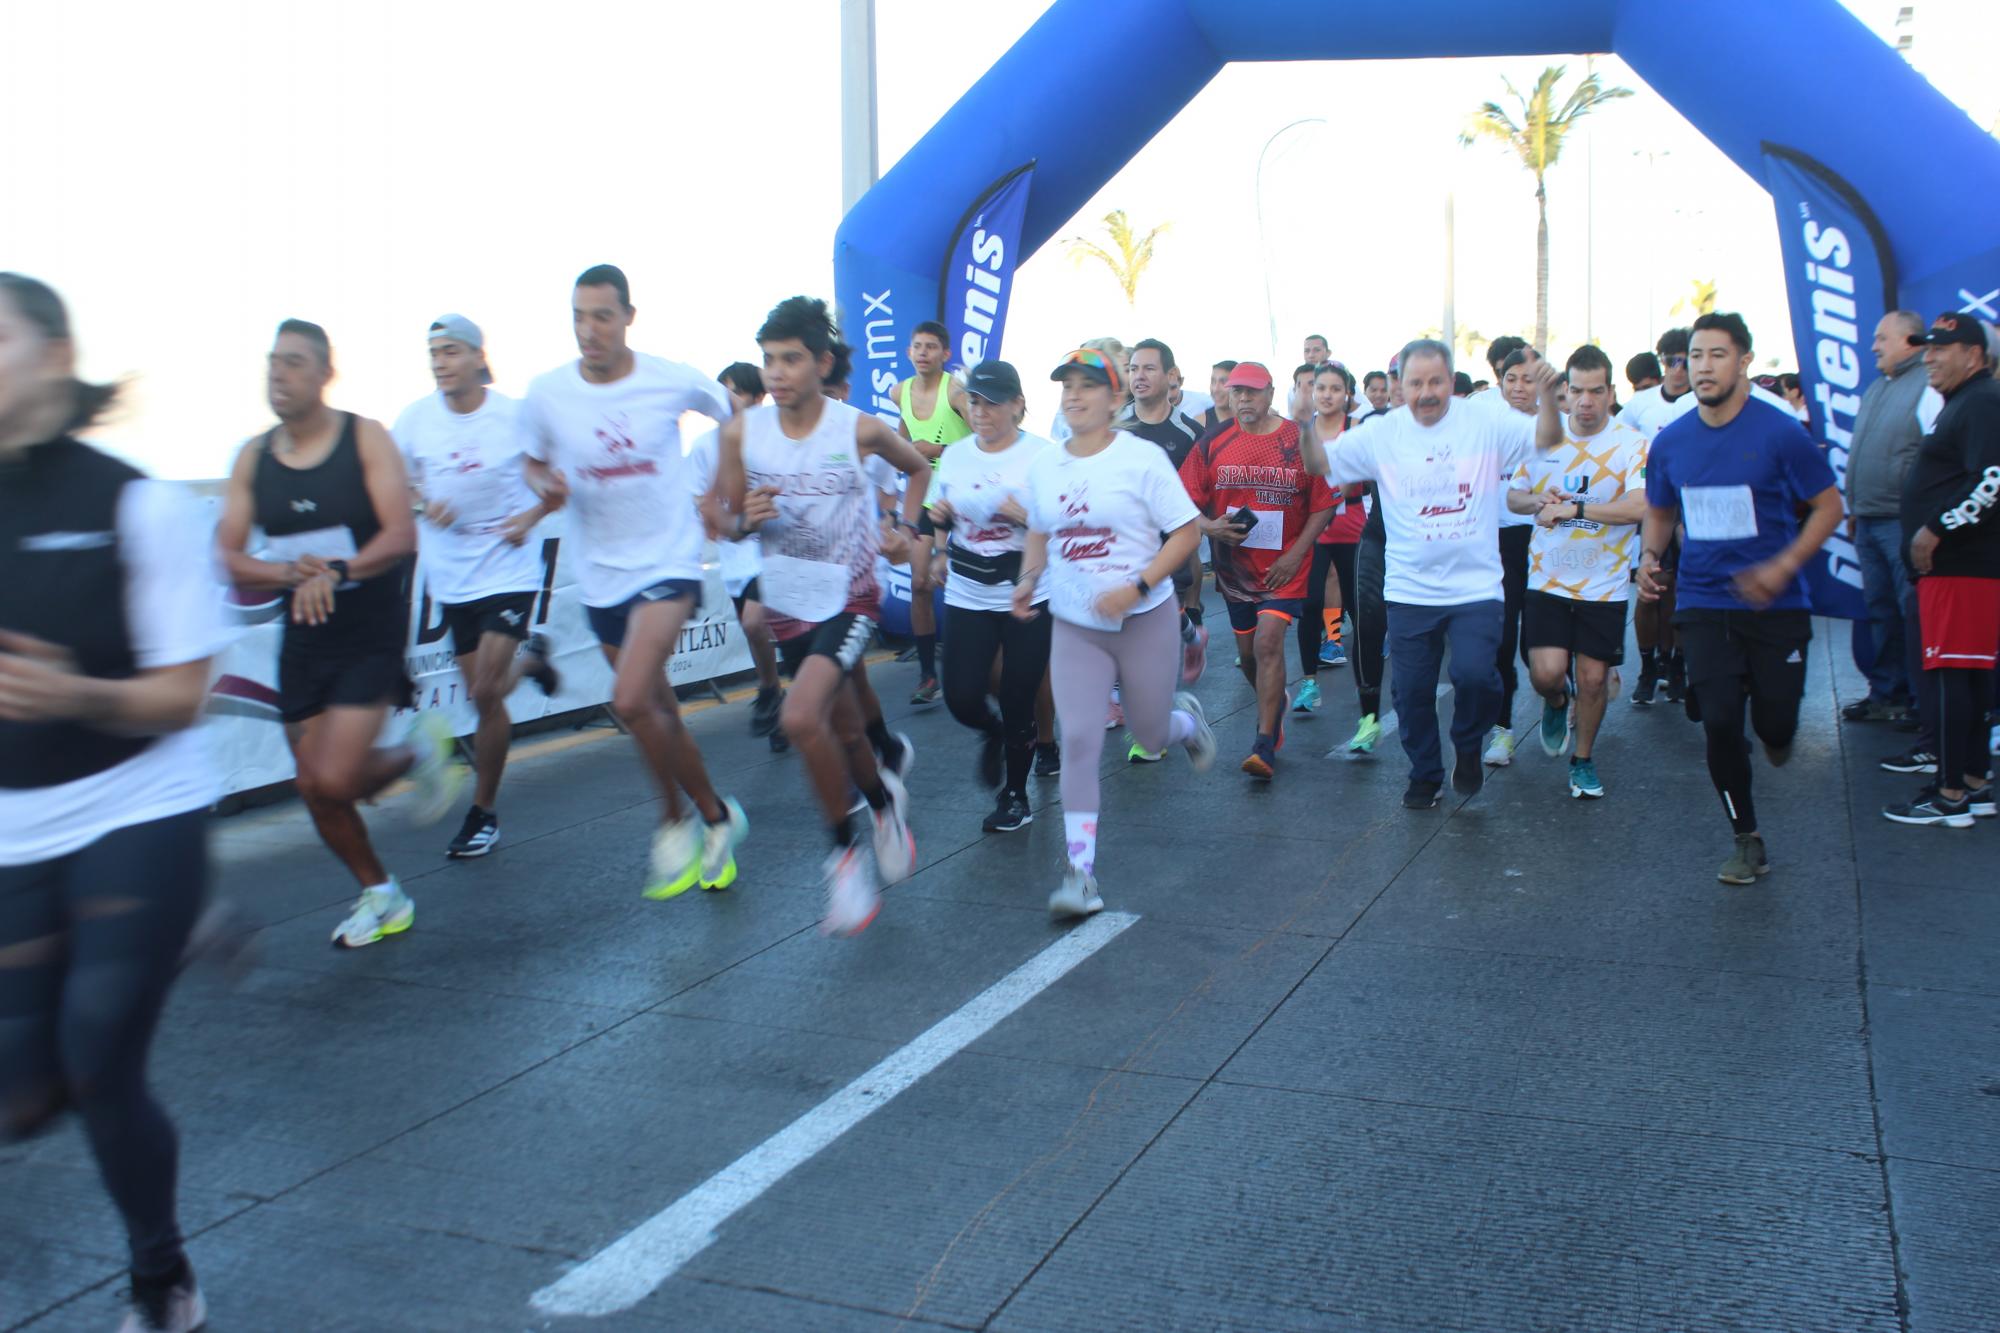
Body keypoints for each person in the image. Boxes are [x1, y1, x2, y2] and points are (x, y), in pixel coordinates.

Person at [0, 274, 231, 1333]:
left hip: (138, 800)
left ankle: (160, 1276)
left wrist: (79, 691)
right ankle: (167, 934)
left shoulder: (135, 502)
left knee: (99, 1056)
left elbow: (189, 692)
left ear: (53, 355)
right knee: (22, 1098)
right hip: (17, 822)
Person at [216, 320, 459, 948]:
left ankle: (416, 752)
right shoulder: (254, 456)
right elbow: (228, 554)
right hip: (304, 635)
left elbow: (400, 535)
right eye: (273, 361)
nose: (279, 373)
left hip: (367, 633)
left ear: (325, 374)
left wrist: (338, 571)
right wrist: (287, 572)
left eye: (295, 362)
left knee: (333, 779)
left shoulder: (365, 439)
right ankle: (382, 893)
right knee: (315, 788)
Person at [519, 263, 745, 900]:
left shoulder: (667, 379)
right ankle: (718, 818)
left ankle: (672, 819)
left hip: (668, 566)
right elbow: (532, 460)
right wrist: (545, 485)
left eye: (601, 316)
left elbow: (733, 414)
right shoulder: (546, 393)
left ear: (627, 318)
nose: (588, 331)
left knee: (626, 699)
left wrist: (723, 496)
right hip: (599, 578)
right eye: (578, 317)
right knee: (654, 712)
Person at [717, 296, 932, 936]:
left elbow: (918, 469)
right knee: (837, 731)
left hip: (848, 596)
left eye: (790, 360)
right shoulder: (740, 433)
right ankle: (883, 805)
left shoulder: (857, 428)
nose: (776, 373)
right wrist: (739, 519)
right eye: (768, 361)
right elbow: (720, 517)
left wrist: (903, 528)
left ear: (823, 363)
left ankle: (844, 864)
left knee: (800, 714)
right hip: (787, 602)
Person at [1638, 312, 1843, 883]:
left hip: (1777, 607)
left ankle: (1775, 736)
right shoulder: (1672, 442)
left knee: (1775, 728)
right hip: (1704, 602)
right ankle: (1745, 836)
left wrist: (1781, 567)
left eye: (1716, 355)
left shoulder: (1779, 433)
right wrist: (1649, 562)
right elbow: (1659, 510)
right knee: (1721, 721)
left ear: (1745, 361)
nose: (1701, 367)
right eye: (1693, 356)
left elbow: (1829, 508)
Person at [1316, 340, 1562, 808]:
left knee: (1474, 676)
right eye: (1415, 383)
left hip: (1476, 587)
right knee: (1410, 693)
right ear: (1398, 386)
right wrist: (1310, 418)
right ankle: (1425, 774)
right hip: (1410, 590)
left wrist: (1549, 397)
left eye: (1435, 382)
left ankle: (1467, 744)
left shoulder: (1484, 421)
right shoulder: (1383, 432)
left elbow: (1546, 437)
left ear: (1451, 381)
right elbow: (1323, 464)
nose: (1426, 393)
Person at [1017, 347, 1216, 917]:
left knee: (1149, 736)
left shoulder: (1140, 459)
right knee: (1079, 739)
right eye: (1067, 387)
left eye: (1087, 386)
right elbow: (1037, 530)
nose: (1074, 396)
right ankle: (1081, 874)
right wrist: (1029, 578)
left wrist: (1138, 583)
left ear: (1114, 398)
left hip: (1142, 616)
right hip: (1077, 624)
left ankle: (1184, 722)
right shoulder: (1047, 466)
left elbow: (1186, 533)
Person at [393, 314, 559, 858]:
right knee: (484, 700)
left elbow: (559, 485)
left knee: (486, 690)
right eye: (433, 352)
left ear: (476, 357)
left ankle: (482, 810)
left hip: (508, 568)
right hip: (453, 578)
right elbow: (394, 478)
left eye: (450, 351)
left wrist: (529, 518)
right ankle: (532, 662)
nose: (440, 362)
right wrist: (421, 501)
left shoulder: (513, 417)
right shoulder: (415, 421)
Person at [1508, 345, 1651, 798]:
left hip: (1604, 583)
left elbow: (1639, 506)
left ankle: (1583, 760)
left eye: (1596, 391)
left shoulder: (1632, 444)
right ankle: (1555, 701)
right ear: (1565, 391)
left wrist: (1575, 508)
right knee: (1545, 673)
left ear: (1611, 393)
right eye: (1578, 390)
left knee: (1594, 679)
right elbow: (1515, 498)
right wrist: (1539, 504)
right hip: (1547, 578)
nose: (1586, 401)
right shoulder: (1544, 437)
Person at [1183, 362, 1336, 778]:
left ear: (1270, 393)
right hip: (1236, 572)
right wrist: (1208, 526)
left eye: (1252, 392)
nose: (1244, 400)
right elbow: (1181, 501)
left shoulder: (1297, 438)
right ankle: (1274, 701)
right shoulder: (1212, 442)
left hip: (1286, 569)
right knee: (1249, 657)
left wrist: (1296, 553)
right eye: (1237, 393)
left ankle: (1264, 743)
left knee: (1269, 644)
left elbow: (1325, 503)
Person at [1881, 311, 2000, 828]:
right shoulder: (1967, 402)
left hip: (1960, 567)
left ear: (1973, 355)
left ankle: (1949, 794)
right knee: (1964, 677)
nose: (1928, 356)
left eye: (1940, 349)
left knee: (1953, 678)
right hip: (1957, 569)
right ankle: (1973, 782)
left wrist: (1935, 529)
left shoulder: (1982, 400)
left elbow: (1992, 480)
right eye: (1925, 348)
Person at [924, 360, 1053, 832]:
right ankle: (992, 733)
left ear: (1018, 406)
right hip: (967, 591)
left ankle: (1016, 796)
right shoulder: (956, 456)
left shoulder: (1042, 456)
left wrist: (1021, 514)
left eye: (993, 403)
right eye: (975, 401)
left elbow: (1062, 527)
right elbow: (942, 513)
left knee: (1019, 697)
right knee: (960, 697)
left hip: (1029, 594)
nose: (982, 411)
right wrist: (939, 549)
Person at [689, 362, 787, 747]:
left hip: (777, 550)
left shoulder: (774, 439)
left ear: (758, 398)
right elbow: (697, 498)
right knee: (757, 631)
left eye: (735, 392)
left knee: (753, 623)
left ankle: (782, 693)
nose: (726, 401)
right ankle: (774, 695)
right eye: (722, 392)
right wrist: (715, 511)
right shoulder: (703, 447)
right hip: (734, 556)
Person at [1843, 311, 1930, 723]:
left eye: (1881, 338)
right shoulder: (1879, 386)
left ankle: (1918, 699)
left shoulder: (1929, 384)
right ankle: (1886, 693)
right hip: (1869, 518)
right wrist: (1855, 506)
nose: (1874, 346)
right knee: (1880, 609)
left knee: (1911, 611)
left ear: (1910, 340)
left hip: (1902, 520)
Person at [1118, 338, 1210, 698]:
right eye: (1133, 369)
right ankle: (1190, 636)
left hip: (1171, 546)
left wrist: (1209, 525)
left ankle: (1151, 720)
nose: (1139, 376)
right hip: (1122, 543)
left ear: (1170, 375)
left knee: (1146, 627)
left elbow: (1201, 496)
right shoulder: (1115, 426)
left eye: (1148, 368)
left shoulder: (1190, 433)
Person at [894, 321, 969, 706]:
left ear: (945, 354)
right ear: (909, 352)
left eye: (931, 347)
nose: (923, 353)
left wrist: (937, 451)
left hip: (964, 496)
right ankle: (928, 675)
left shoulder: (955, 391)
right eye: (917, 346)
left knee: (970, 582)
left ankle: (976, 659)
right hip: (925, 498)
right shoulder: (899, 392)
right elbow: (904, 442)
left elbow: (985, 440)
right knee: (920, 583)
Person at [1622, 327, 1695, 706]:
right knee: (1651, 590)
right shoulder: (1641, 404)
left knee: (1682, 593)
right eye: (1672, 361)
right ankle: (1649, 667)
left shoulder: (1704, 400)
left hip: (1695, 506)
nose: (1679, 369)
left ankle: (1677, 665)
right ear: (1661, 360)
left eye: (1687, 360)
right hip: (1654, 504)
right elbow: (1620, 445)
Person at [1481, 345, 1543, 766]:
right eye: (1511, 378)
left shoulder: (1557, 423)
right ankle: (1502, 731)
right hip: (1496, 540)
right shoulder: (1480, 414)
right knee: (1502, 640)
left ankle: (1560, 694)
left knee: (1537, 647)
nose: (1519, 387)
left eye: (1528, 379)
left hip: (1545, 543)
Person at [1293, 361, 1360, 713]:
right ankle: (1309, 684)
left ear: (1347, 393)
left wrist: (1321, 475)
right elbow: (1301, 479)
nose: (1328, 395)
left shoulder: (1356, 428)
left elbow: (1348, 483)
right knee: (1308, 604)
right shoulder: (1302, 430)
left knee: (1358, 608)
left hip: (1350, 529)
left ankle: (1367, 691)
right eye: (1321, 389)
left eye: (1335, 389)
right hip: (1313, 530)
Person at [1201, 360, 1239, 433]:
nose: (1216, 389)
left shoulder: (1249, 422)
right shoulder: (1200, 422)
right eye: (1213, 382)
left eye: (1223, 382)